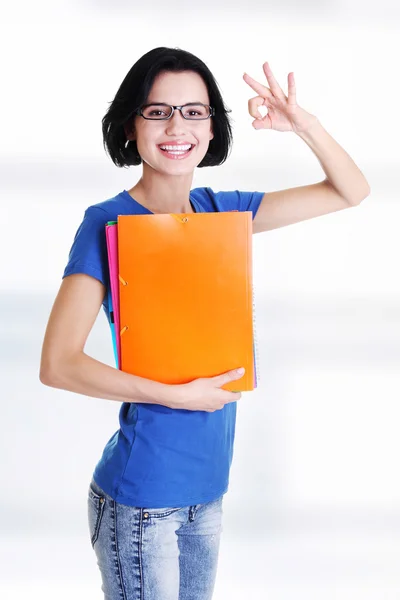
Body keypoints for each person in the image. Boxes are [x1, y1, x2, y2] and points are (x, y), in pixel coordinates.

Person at [39, 47, 370, 600]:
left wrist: (302, 125)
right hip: (142, 499)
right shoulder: (106, 224)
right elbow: (58, 363)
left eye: (195, 112)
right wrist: (176, 395)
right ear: (130, 127)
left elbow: (350, 191)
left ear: (213, 129)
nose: (177, 126)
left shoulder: (223, 211)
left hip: (207, 491)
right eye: (158, 111)